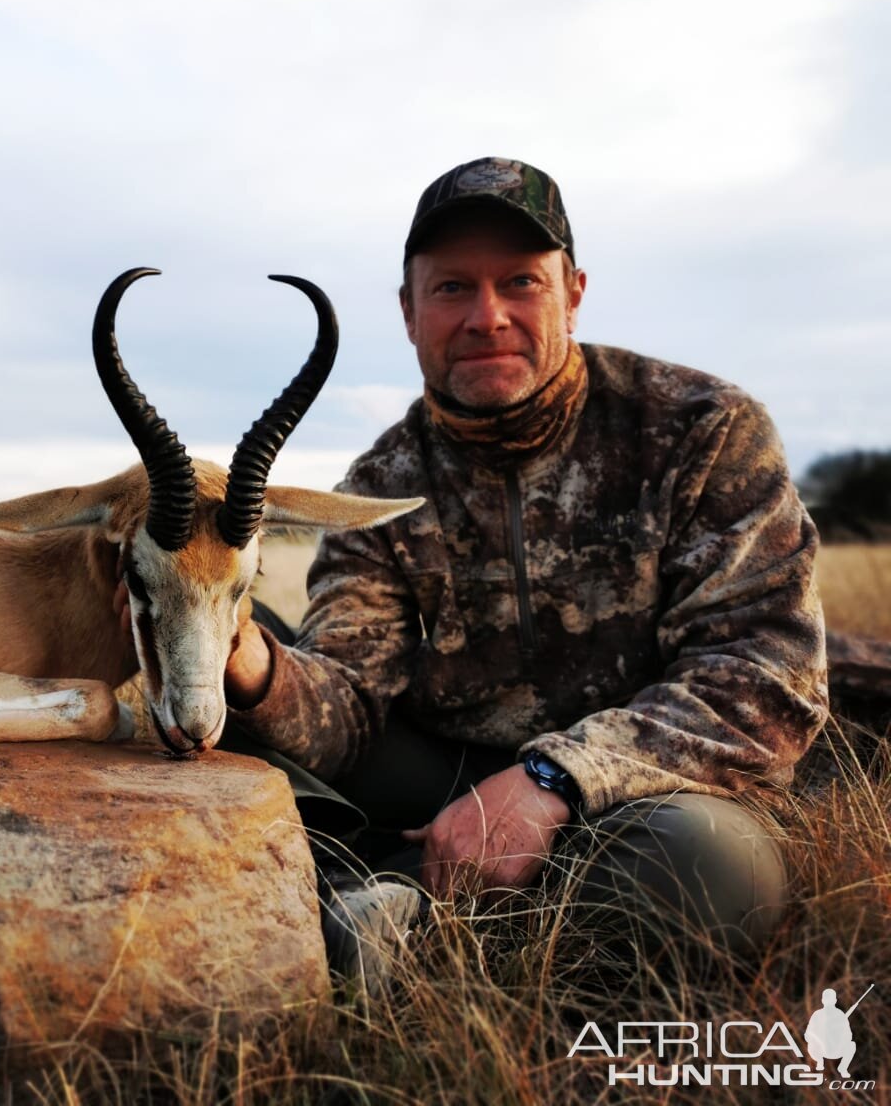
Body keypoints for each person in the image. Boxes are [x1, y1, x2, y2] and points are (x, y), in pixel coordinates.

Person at [220, 156, 830, 983]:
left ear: (572, 293)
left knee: (719, 869)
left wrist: (553, 779)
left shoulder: (702, 430)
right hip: (442, 779)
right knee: (226, 708)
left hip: (632, 796)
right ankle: (377, 907)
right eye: (451, 289)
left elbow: (766, 678)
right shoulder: (381, 486)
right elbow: (349, 701)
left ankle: (385, 917)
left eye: (520, 282)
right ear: (408, 312)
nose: (487, 316)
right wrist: (251, 671)